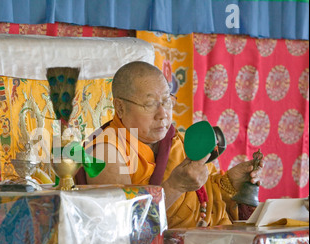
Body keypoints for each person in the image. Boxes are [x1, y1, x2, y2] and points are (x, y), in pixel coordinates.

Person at [80, 61, 263, 228]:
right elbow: (123, 227)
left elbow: (205, 198)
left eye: (167, 102)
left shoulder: (177, 140)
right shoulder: (107, 153)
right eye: (150, 104)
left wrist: (230, 182)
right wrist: (175, 187)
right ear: (120, 107)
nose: (163, 114)